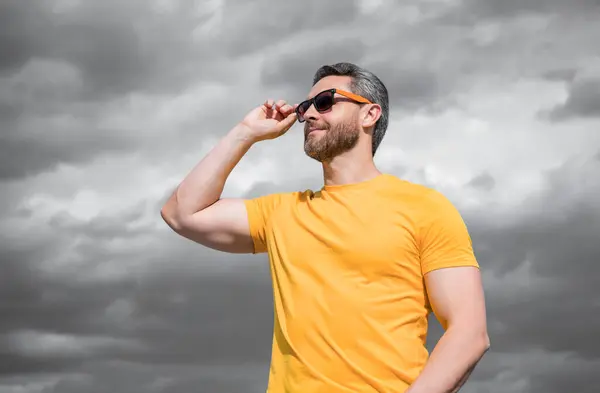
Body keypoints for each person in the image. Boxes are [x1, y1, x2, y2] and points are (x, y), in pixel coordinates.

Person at [161, 62, 490, 393]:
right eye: (305, 108)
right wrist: (245, 133)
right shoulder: (282, 212)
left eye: (325, 102)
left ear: (369, 114)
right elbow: (181, 213)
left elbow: (468, 331)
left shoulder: (425, 208)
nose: (308, 115)